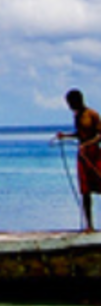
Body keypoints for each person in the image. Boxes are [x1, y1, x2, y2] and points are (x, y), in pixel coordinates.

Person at [57, 89, 101, 232]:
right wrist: (65, 136)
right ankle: (89, 225)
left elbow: (99, 136)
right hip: (82, 155)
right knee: (85, 191)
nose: (69, 106)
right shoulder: (77, 116)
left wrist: (86, 145)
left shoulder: (92, 115)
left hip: (94, 154)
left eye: (70, 103)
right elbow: (79, 134)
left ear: (78, 101)